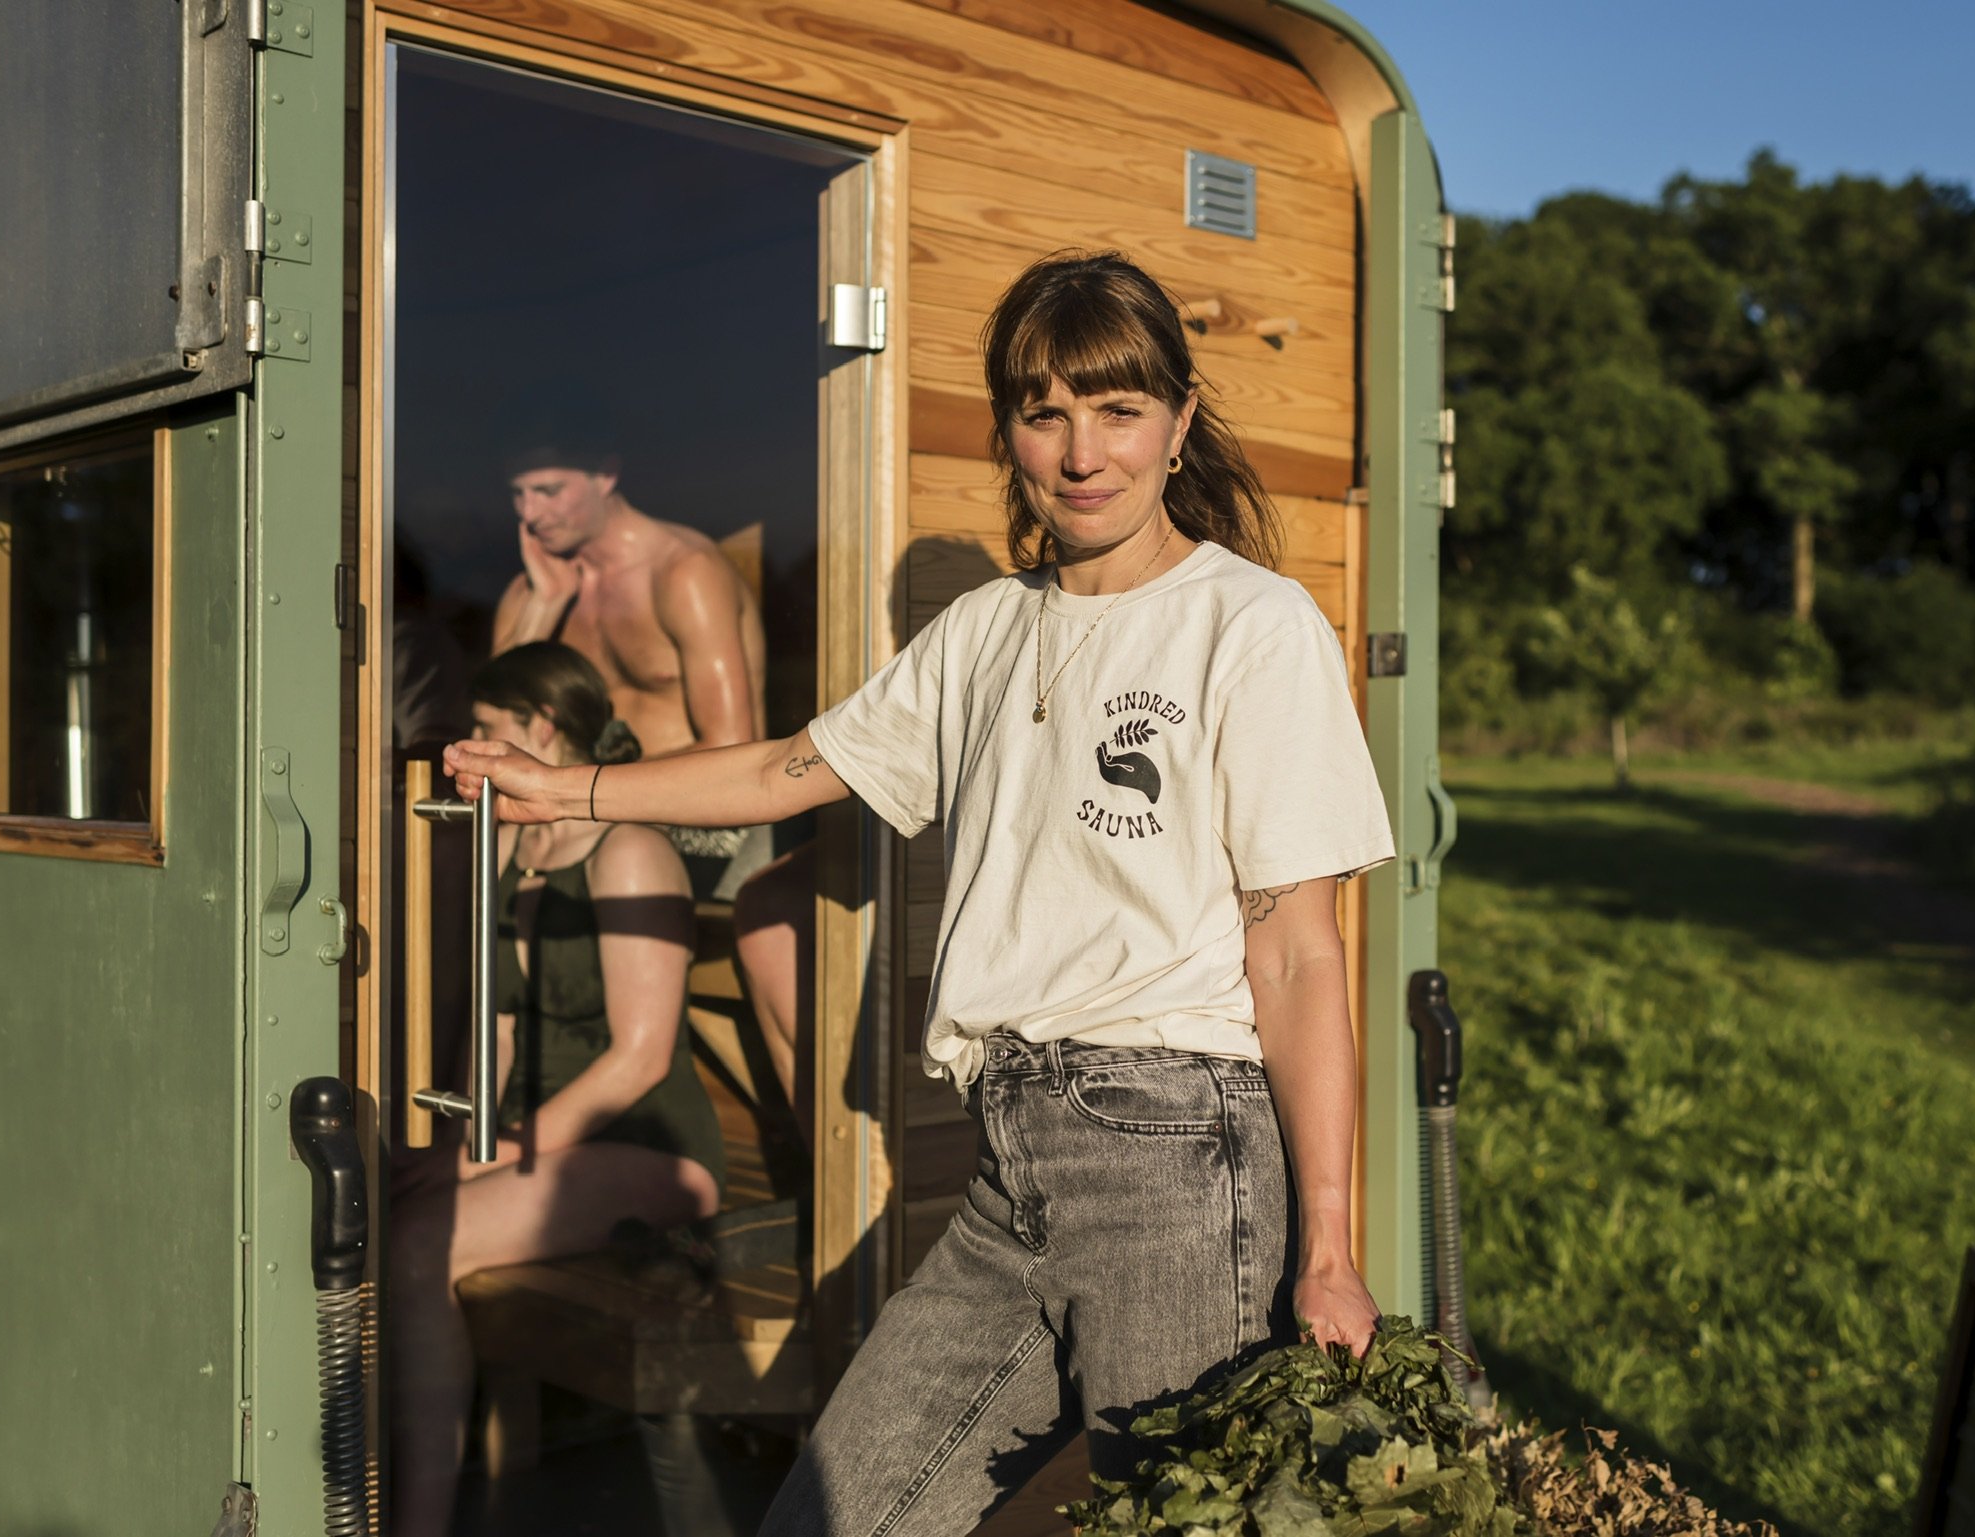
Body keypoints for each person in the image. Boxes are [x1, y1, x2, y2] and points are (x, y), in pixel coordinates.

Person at [446, 250, 1396, 1535]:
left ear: (1177, 425)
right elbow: (788, 770)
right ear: (1007, 432)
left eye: (1117, 410)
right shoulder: (983, 632)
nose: (1080, 451)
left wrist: (1328, 1248)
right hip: (1011, 1167)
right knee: (832, 1516)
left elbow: (1298, 956)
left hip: (1180, 1159)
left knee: (1180, 1521)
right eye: (1043, 411)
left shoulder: (1250, 624)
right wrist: (573, 793)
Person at [389, 642, 727, 1537]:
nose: (471, 746)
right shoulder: (510, 843)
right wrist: (458, 1146)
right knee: (399, 1203)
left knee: (425, 1240)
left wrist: (489, 1159)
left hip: (654, 1147)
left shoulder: (629, 849)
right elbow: (494, 1031)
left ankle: (414, 1523)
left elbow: (642, 1057)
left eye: (489, 731)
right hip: (538, 1139)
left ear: (541, 730)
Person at [490, 432, 817, 1121]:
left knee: (560, 861)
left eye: (548, 489)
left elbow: (733, 742)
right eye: (518, 494)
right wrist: (546, 607)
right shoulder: (529, 591)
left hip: (709, 826)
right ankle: (500, 1110)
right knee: (479, 865)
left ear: (606, 472)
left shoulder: (683, 571)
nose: (531, 513)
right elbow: (495, 727)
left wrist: (592, 792)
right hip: (579, 823)